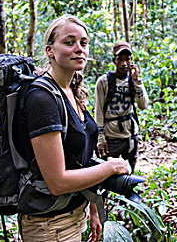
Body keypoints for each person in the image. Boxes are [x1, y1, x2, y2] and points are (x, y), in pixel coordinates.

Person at [14, 15, 131, 242]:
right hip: (50, 225)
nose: (79, 49)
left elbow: (81, 159)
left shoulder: (72, 89)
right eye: (69, 43)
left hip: (74, 214)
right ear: (50, 50)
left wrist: (93, 208)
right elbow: (57, 182)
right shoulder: (42, 100)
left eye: (83, 43)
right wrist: (111, 167)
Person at [94, 41, 148, 171]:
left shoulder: (134, 81)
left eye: (127, 59)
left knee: (130, 171)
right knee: (105, 172)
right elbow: (99, 110)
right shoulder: (104, 82)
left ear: (131, 61)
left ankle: (128, 191)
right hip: (112, 136)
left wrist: (137, 82)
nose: (124, 63)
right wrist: (100, 138)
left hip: (130, 134)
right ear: (114, 61)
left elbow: (143, 105)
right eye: (120, 59)